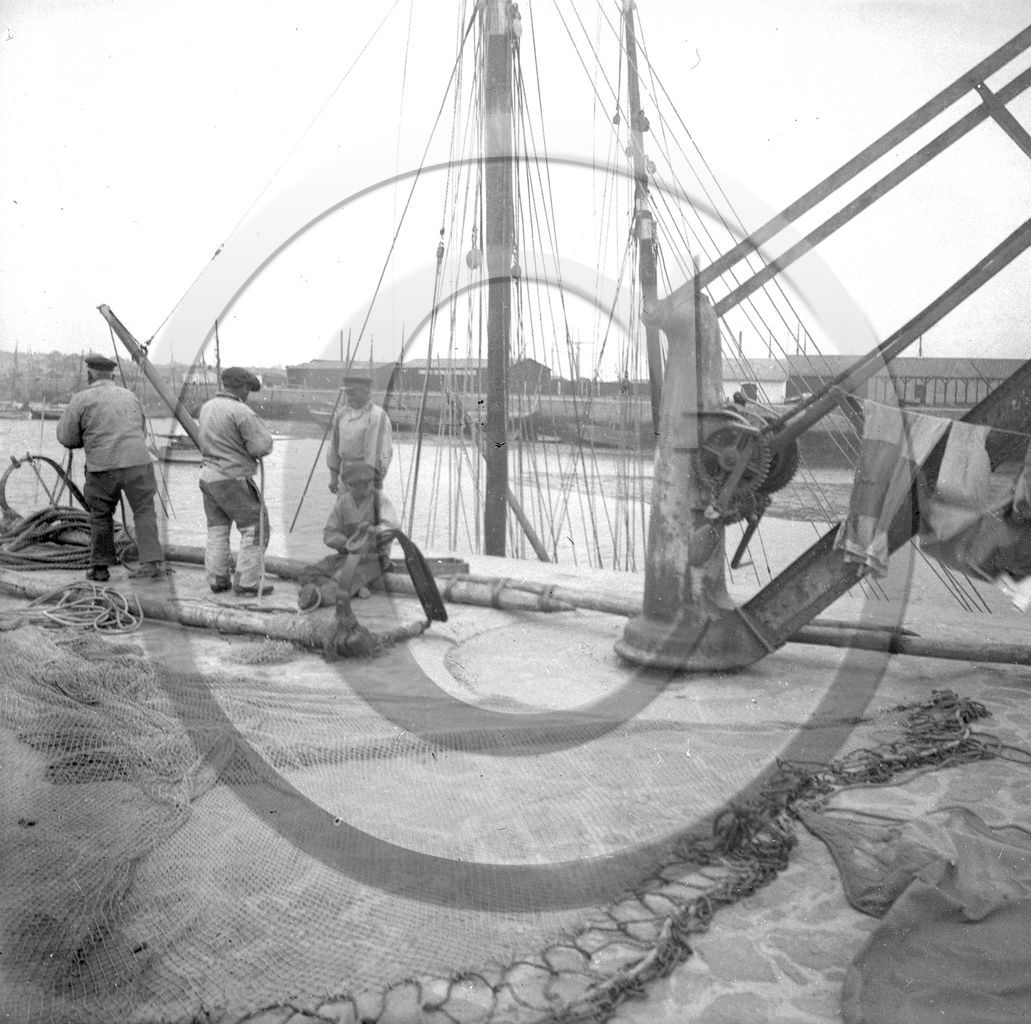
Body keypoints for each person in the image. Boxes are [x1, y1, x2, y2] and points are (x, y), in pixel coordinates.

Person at [56, 352, 166, 582]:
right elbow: (141, 431)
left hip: (102, 467)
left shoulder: (81, 400)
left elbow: (67, 438)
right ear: (112, 376)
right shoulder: (130, 397)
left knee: (100, 515)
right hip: (139, 463)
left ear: (89, 375)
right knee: (144, 510)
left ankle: (100, 568)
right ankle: (151, 563)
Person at [197, 366, 274, 596]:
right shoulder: (242, 411)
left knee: (217, 529)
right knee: (256, 528)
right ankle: (247, 582)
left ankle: (217, 579)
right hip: (231, 477)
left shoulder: (207, 407)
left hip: (208, 476)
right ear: (242, 387)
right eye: (248, 389)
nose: (248, 394)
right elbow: (261, 446)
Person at [326, 371, 398, 562]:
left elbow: (378, 452)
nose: (350, 397)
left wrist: (369, 482)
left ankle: (369, 557)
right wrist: (333, 475)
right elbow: (334, 445)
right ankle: (346, 554)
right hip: (345, 475)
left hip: (365, 477)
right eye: (347, 393)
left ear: (367, 391)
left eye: (354, 392)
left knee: (366, 518)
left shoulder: (376, 416)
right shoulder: (342, 414)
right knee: (344, 515)